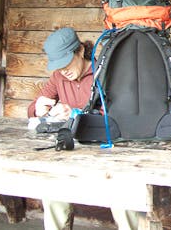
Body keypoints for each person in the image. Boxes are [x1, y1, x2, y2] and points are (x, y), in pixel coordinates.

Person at [28, 27, 141, 230]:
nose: (63, 70)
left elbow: (120, 116)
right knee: (52, 191)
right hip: (73, 153)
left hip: (110, 155)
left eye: (66, 63)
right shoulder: (58, 77)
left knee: (126, 198)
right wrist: (39, 108)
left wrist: (75, 113)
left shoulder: (104, 71)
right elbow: (35, 107)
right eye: (58, 66)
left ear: (80, 50)